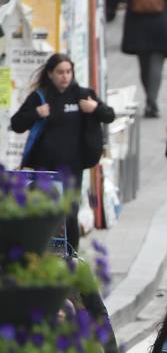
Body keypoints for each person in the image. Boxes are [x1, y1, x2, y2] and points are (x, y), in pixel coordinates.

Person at [8, 53, 116, 248]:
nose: (65, 76)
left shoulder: (83, 95)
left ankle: (70, 257)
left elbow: (109, 115)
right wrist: (36, 113)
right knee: (44, 213)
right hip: (45, 169)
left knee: (70, 213)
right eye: (60, 72)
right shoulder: (40, 97)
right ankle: (41, 254)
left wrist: (95, 108)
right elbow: (16, 124)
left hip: (72, 168)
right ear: (50, 74)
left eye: (68, 72)